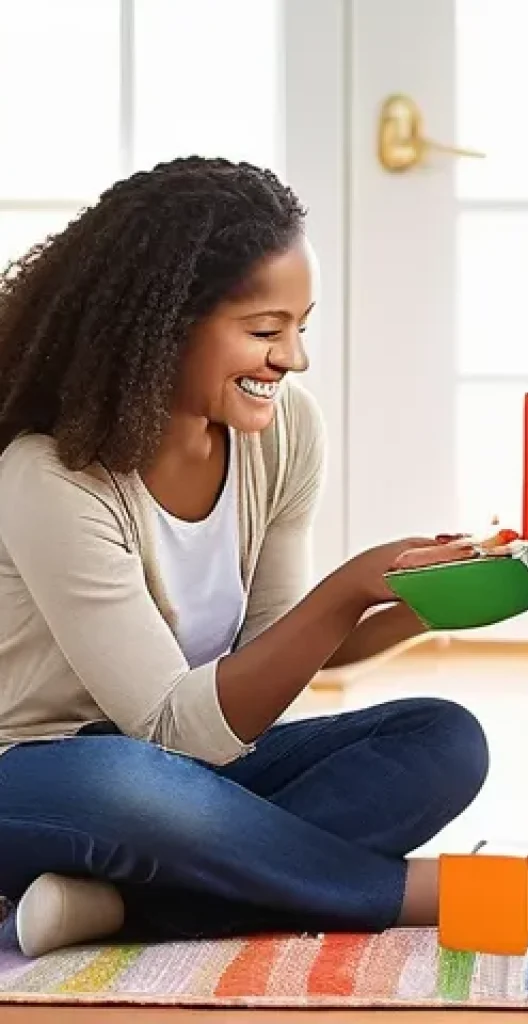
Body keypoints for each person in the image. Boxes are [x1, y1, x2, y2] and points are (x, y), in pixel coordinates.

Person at [0, 157, 489, 958]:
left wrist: (417, 606)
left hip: (195, 781)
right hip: (46, 776)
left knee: (444, 737)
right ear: (160, 327)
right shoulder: (48, 476)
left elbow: (273, 654)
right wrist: (349, 584)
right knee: (124, 782)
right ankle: (403, 893)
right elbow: (168, 733)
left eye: (301, 326)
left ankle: (125, 907)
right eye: (266, 331)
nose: (292, 358)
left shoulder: (284, 430)